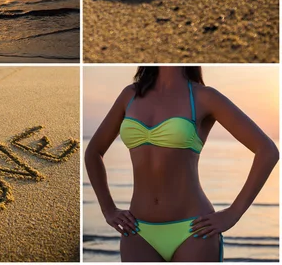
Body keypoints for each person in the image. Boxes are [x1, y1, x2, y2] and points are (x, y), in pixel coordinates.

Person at [84, 66, 278, 262]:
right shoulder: (130, 95)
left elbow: (267, 151)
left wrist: (233, 213)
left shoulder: (204, 97)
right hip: (138, 231)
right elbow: (93, 152)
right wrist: (108, 210)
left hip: (193, 230)